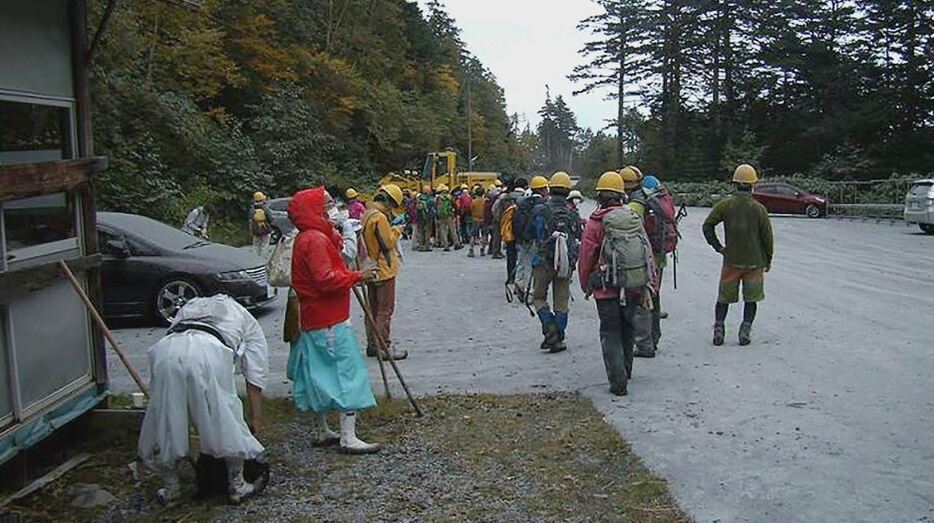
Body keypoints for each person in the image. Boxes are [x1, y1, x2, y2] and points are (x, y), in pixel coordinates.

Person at [138, 294, 269, 504]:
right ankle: (237, 484)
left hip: (165, 351)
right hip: (209, 351)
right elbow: (255, 372)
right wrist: (255, 419)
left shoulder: (191, 306)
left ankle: (172, 489)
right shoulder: (246, 319)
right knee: (224, 414)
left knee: (166, 417)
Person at [286, 187, 382, 455]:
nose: (333, 209)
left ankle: (321, 430)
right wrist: (358, 276)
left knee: (318, 374)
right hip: (330, 319)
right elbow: (325, 279)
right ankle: (348, 436)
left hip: (315, 318)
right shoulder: (315, 240)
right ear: (313, 210)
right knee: (346, 372)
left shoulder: (308, 237)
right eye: (327, 205)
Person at [578, 171, 656, 396]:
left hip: (605, 288)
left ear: (600, 196)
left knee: (610, 331)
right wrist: (650, 282)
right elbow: (646, 250)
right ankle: (627, 370)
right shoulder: (632, 218)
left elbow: (587, 256)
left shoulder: (595, 222)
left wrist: (586, 283)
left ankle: (617, 380)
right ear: (622, 195)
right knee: (628, 328)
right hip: (632, 284)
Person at [702, 164, 774, 347]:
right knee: (751, 299)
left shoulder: (725, 205)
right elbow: (767, 238)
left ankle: (719, 328)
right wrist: (768, 259)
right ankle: (745, 330)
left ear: (735, 184)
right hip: (754, 263)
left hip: (731, 261)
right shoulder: (759, 209)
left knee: (723, 298)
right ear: (753, 185)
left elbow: (707, 226)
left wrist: (718, 247)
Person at [627, 174, 679, 357]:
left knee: (643, 296)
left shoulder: (638, 203)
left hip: (648, 254)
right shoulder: (658, 195)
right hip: (661, 250)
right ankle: (654, 338)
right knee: (654, 294)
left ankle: (644, 344)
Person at [530, 172, 582, 353]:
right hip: (564, 262)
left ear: (549, 189)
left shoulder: (540, 210)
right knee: (561, 301)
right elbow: (578, 238)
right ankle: (558, 334)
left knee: (538, 297)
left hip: (543, 260)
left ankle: (549, 328)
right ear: (568, 191)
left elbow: (531, 233)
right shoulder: (572, 213)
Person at [361, 185, 408, 360]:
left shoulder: (367, 213)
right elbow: (388, 243)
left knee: (372, 309)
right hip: (384, 269)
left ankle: (372, 344)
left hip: (370, 268)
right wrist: (397, 230)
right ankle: (383, 347)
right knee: (384, 310)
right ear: (389, 202)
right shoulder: (379, 217)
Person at [512, 176, 549, 304]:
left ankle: (519, 282)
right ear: (543, 189)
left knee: (522, 261)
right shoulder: (542, 205)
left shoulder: (524, 202)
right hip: (534, 239)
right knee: (531, 267)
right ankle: (529, 294)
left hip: (523, 237)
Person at [495, 178, 526, 287]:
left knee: (510, 254)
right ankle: (520, 276)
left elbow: (495, 210)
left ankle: (510, 277)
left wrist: (502, 222)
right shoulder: (526, 197)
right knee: (522, 254)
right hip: (521, 229)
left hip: (508, 229)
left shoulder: (504, 198)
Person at [250, 192, 272, 258]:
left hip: (255, 228)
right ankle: (262, 260)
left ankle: (255, 258)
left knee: (256, 245)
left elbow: (250, 219)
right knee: (264, 245)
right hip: (265, 228)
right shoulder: (265, 208)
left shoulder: (252, 208)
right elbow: (270, 218)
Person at [434, 184, 456, 251]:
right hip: (449, 215)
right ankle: (456, 243)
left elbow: (435, 206)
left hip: (441, 216)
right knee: (452, 230)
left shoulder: (437, 198)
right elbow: (454, 204)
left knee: (443, 230)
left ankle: (445, 245)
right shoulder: (449, 197)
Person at [468, 185, 488, 257]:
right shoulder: (485, 201)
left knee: (473, 235)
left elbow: (470, 209)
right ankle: (482, 249)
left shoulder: (473, 202)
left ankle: (471, 250)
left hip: (475, 219)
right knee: (484, 235)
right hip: (484, 219)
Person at [415, 184, 435, 251]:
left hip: (420, 216)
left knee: (420, 231)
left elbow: (417, 207)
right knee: (428, 231)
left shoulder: (419, 197)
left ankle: (420, 245)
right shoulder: (430, 198)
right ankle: (427, 246)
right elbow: (433, 204)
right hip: (428, 216)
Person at [487, 184, 504, 259]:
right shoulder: (498, 200)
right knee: (496, 237)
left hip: (497, 219)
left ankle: (496, 251)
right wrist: (497, 218)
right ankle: (495, 252)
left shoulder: (493, 199)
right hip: (497, 220)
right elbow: (493, 209)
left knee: (497, 236)